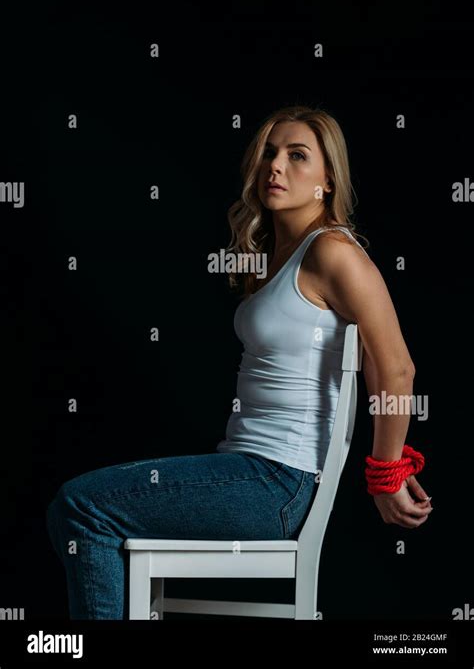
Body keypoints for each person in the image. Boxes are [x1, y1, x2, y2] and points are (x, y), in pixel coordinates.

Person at [46, 104, 432, 620]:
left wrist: (386, 472)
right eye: (270, 153)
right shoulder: (278, 257)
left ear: (328, 180)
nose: (276, 166)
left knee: (82, 508)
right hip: (250, 469)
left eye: (298, 156)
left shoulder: (332, 252)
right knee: (95, 514)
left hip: (278, 481)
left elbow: (396, 367)